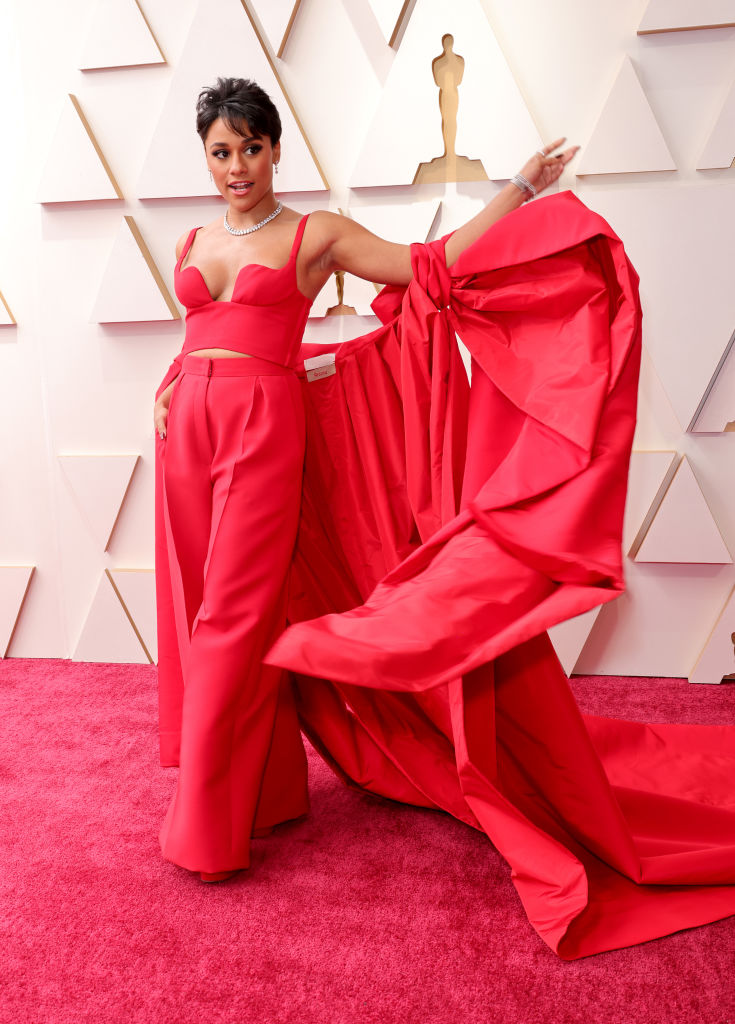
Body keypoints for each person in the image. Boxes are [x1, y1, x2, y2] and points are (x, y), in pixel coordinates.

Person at [154, 78, 735, 955]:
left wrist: (520, 189)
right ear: (207, 157)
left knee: (230, 619)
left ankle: (203, 829)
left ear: (277, 149)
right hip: (183, 433)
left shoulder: (317, 234)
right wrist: (164, 392)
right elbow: (200, 335)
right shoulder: (194, 238)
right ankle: (265, 791)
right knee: (199, 615)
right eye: (221, 151)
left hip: (262, 431)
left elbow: (434, 265)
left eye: (252, 147)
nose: (237, 165)